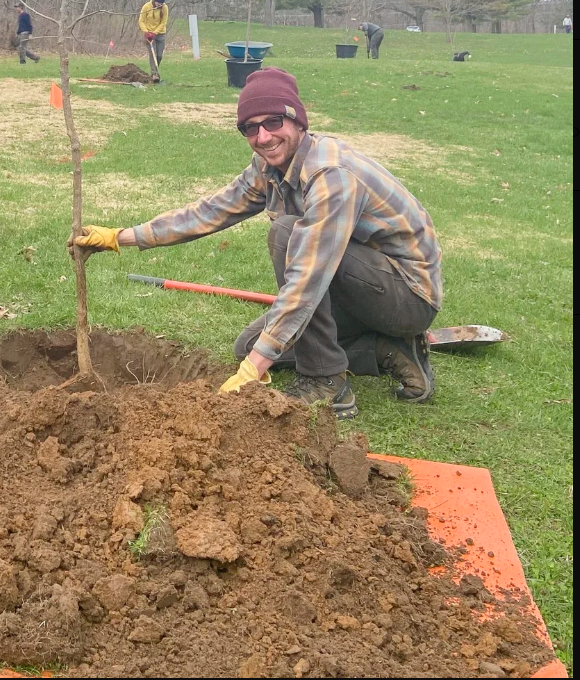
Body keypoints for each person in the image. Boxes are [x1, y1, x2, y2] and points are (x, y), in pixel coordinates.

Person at [70, 67, 442, 420]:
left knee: (286, 234)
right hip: (354, 287)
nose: (263, 137)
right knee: (248, 346)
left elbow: (307, 281)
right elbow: (208, 212)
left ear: (298, 120)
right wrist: (120, 238)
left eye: (273, 123)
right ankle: (384, 350)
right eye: (251, 128)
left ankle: (326, 380)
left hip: (406, 296)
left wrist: (254, 371)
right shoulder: (270, 167)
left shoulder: (331, 176)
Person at [138, 0, 169, 70]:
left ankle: (155, 70)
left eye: (161, 3)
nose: (159, 5)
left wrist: (155, 33)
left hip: (160, 34)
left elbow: (163, 22)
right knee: (153, 55)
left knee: (159, 56)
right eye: (158, 3)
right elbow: (141, 20)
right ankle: (154, 74)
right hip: (149, 35)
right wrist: (146, 32)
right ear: (155, 0)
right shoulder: (146, 7)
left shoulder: (164, 8)